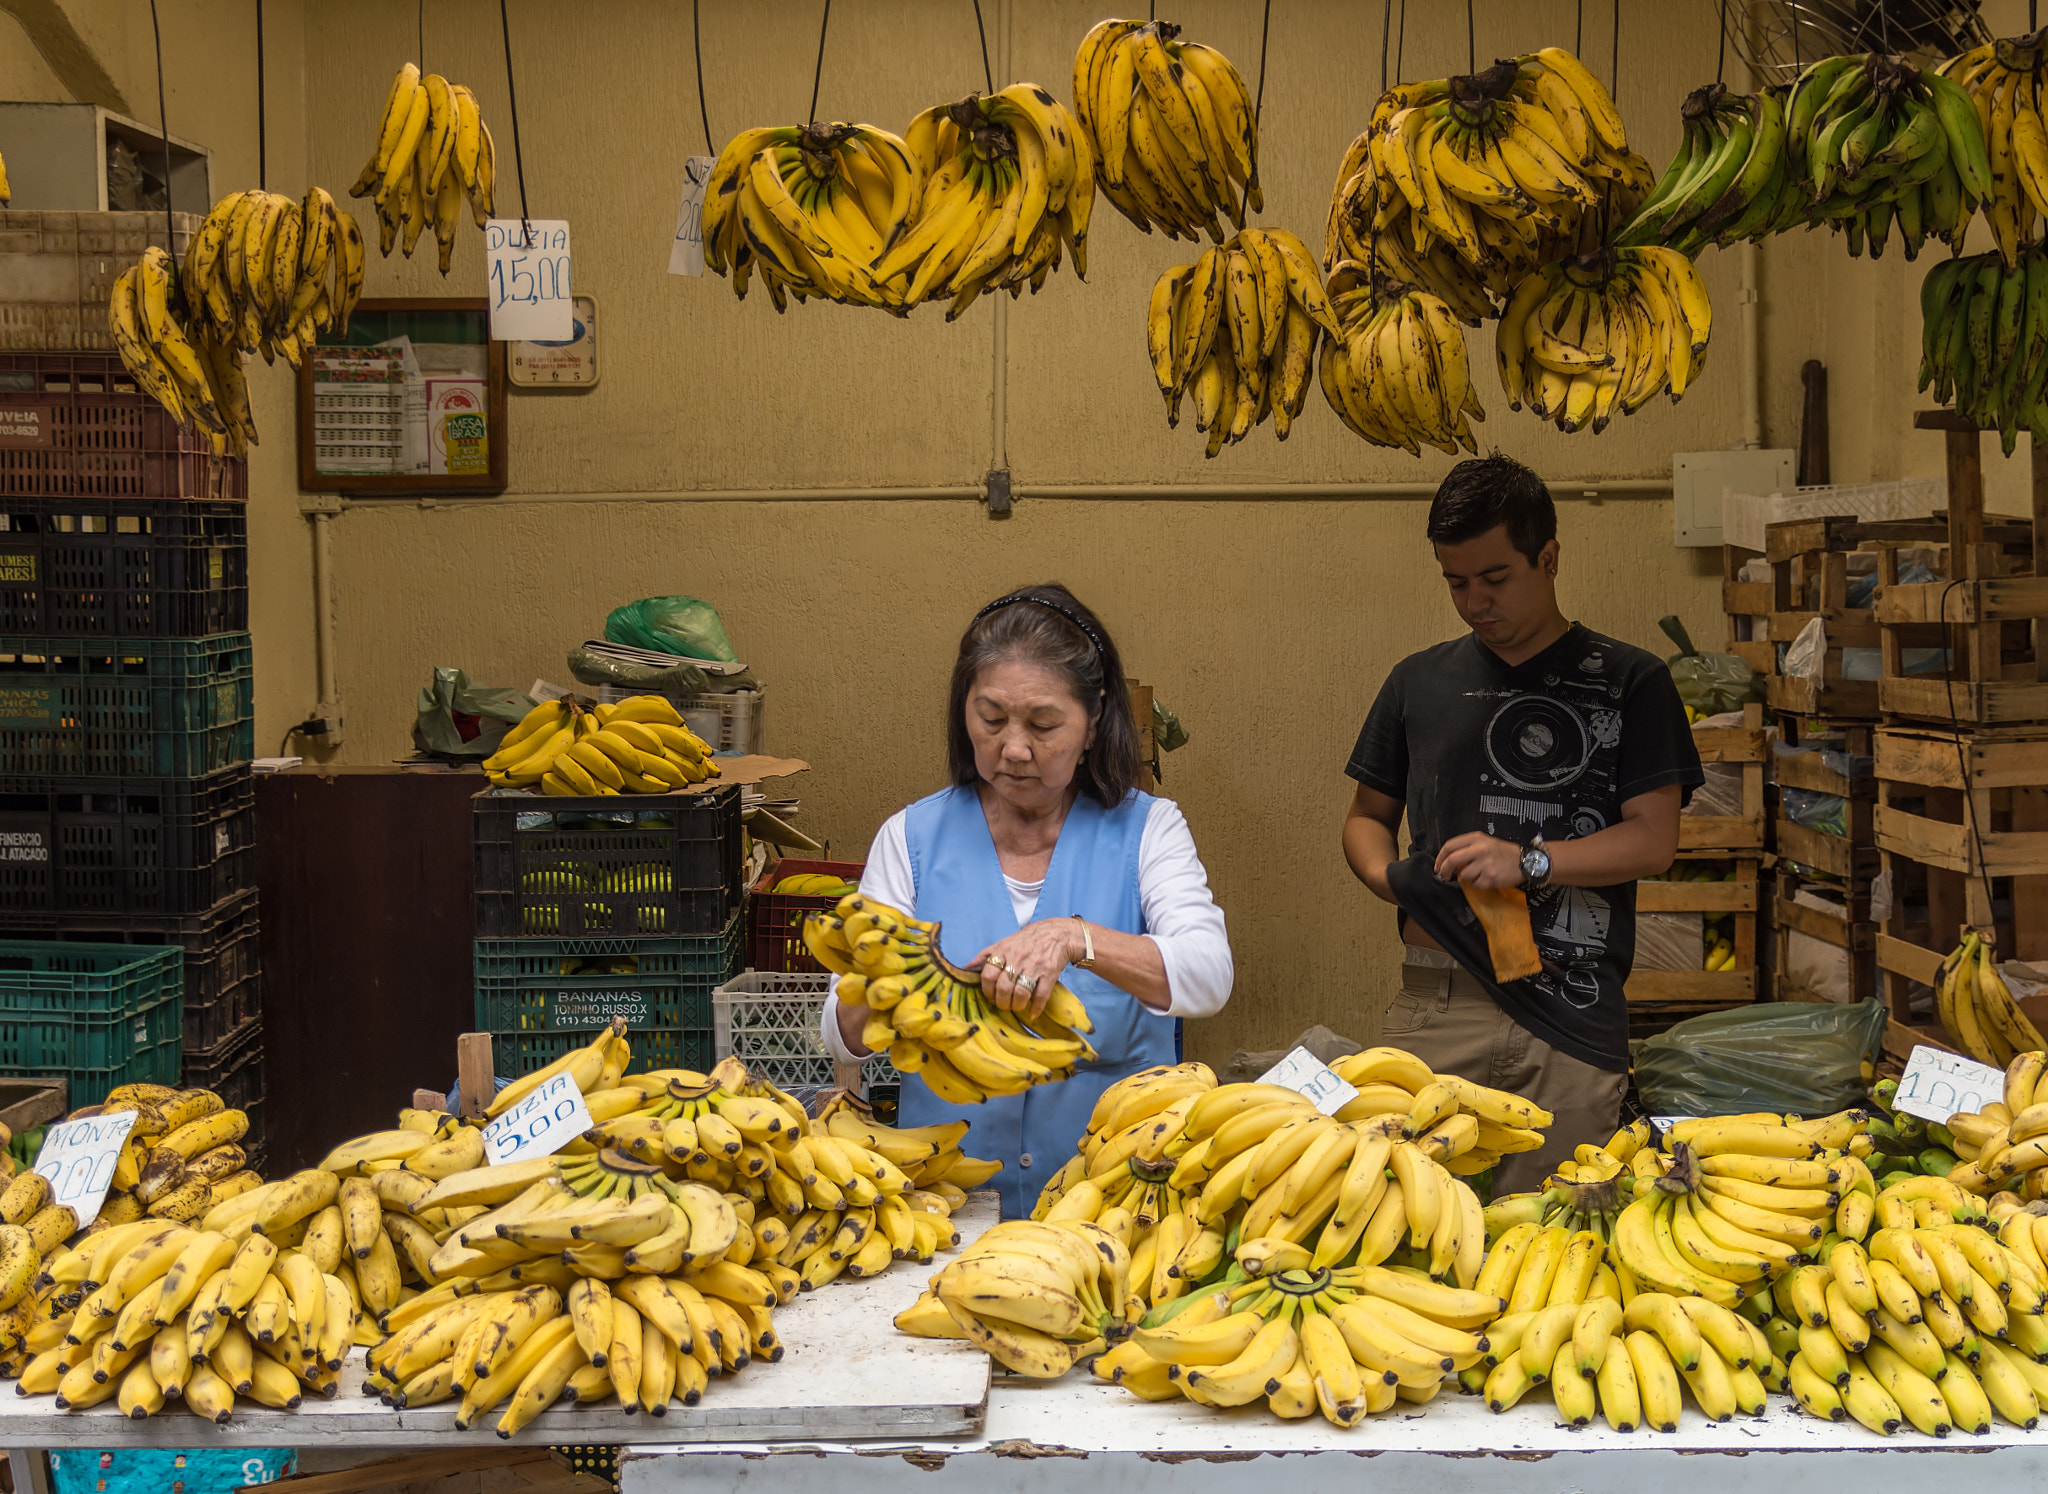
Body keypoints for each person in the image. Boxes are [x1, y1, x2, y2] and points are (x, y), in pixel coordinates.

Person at [1341, 456, 1702, 1193]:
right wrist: (1388, 879)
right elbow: (1366, 817)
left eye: (1495, 578)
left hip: (1570, 1010)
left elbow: (1653, 840)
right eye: (1455, 581)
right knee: (1408, 1235)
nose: (1474, 601)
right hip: (1437, 1002)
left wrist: (1528, 861)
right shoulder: (1417, 680)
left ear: (1549, 558)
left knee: (1565, 1239)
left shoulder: (1632, 682)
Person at [822, 583, 1233, 1218]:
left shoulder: (1149, 829)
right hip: (949, 1208)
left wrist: (1076, 938)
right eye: (990, 719)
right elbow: (842, 1037)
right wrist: (889, 987)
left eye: (1043, 724)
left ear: (1094, 719)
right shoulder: (909, 839)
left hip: (1114, 1204)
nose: (1014, 748)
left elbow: (1208, 977)